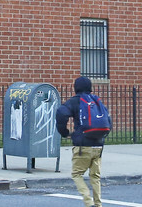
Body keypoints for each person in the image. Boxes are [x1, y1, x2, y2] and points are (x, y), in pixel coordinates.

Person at [55, 76, 107, 207]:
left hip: (83, 145)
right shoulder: (96, 101)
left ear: (75, 87)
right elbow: (107, 120)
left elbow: (61, 113)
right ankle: (98, 204)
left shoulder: (75, 101)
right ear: (90, 87)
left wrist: (65, 133)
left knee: (77, 174)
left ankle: (88, 202)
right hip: (99, 145)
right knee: (95, 176)